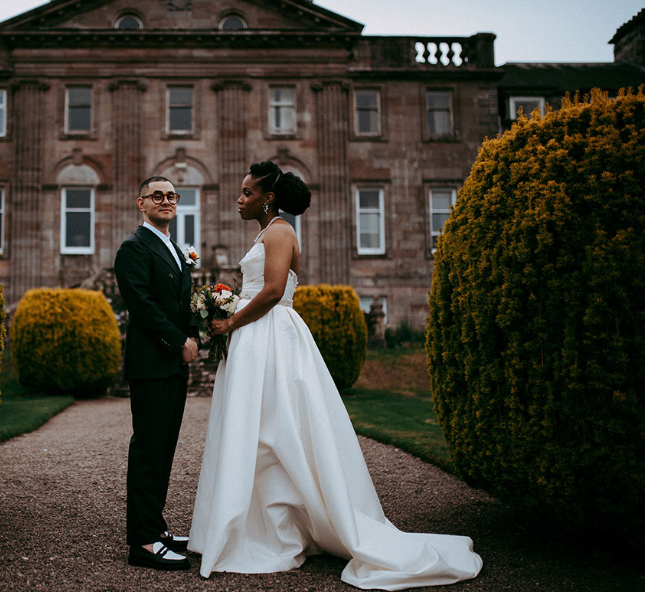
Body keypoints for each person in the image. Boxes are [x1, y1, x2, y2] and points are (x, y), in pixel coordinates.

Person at [188, 162, 483, 589]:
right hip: (263, 336)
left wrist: (230, 322)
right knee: (261, 429)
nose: (239, 199)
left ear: (267, 198)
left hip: (267, 336)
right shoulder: (270, 232)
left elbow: (273, 292)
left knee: (272, 427)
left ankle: (269, 527)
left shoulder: (277, 231)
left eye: (247, 192)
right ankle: (269, 522)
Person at [114, 176, 200, 571]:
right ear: (141, 203)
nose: (166, 201)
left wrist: (196, 333)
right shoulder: (133, 248)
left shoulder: (176, 249)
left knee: (164, 451)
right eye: (157, 196)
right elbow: (143, 306)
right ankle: (142, 543)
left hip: (172, 366)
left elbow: (183, 302)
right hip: (151, 364)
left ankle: (157, 527)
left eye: (171, 196)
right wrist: (177, 341)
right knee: (148, 452)